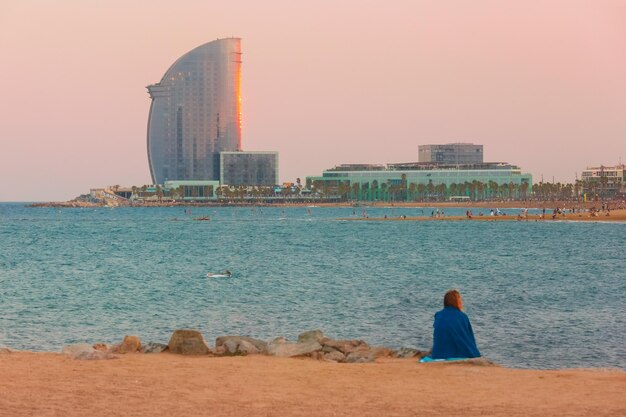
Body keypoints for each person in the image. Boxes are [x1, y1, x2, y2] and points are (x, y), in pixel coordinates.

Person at [430, 290, 481, 360]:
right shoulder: (463, 317)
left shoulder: (438, 315)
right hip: (455, 354)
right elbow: (469, 338)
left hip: (438, 353)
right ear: (457, 302)